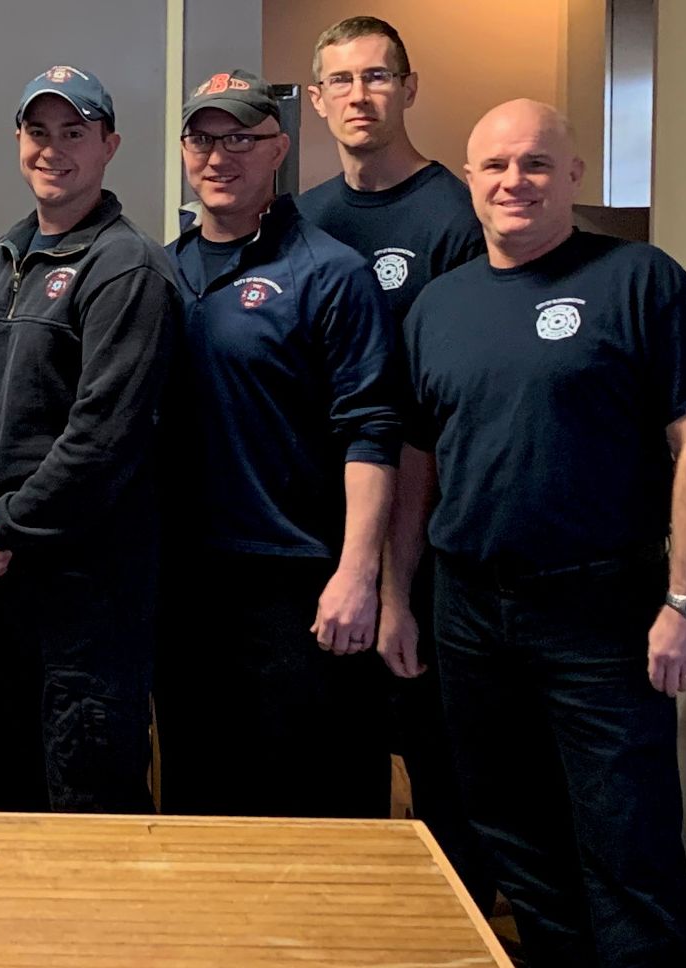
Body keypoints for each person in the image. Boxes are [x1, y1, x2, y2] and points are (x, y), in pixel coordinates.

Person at [394, 99, 686, 967]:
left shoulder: (640, 281)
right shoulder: (436, 309)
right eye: (494, 166)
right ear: (469, 180)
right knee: (513, 834)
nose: (513, 182)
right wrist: (396, 597)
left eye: (535, 164)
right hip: (469, 609)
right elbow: (417, 465)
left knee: (627, 840)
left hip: (598, 604)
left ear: (573, 175)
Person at [156, 69, 401, 818]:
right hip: (187, 587)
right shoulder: (161, 270)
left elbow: (372, 431)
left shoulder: (331, 274)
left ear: (279, 149)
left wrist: (360, 576)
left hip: (299, 587)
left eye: (242, 139)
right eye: (203, 138)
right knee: (200, 791)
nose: (219, 156)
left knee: (316, 800)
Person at [295, 16, 492, 907]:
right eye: (341, 81)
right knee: (339, 749)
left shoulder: (456, 217)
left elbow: (451, 404)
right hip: (327, 536)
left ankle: (466, 921)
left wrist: (398, 570)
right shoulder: (303, 221)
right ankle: (359, 917)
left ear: (410, 89)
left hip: (433, 540)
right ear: (316, 99)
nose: (360, 95)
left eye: (378, 77)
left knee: (443, 754)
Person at [0, 66, 178, 813]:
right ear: (18, 141)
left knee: (87, 797)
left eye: (73, 133)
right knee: (8, 789)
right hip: (5, 584)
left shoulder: (127, 267)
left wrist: (2, 525)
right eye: (38, 132)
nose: (53, 149)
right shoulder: (2, 258)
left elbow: (102, 438)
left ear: (109, 144)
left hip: (90, 593)